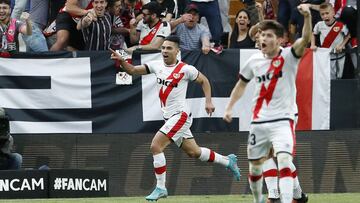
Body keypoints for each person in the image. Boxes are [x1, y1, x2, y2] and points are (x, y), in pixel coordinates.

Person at [110, 35, 241, 201]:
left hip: (181, 116)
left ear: (177, 51)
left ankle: (160, 187)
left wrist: (208, 101)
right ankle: (227, 161)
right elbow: (133, 70)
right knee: (195, 152)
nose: (164, 50)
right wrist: (122, 61)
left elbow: (204, 81)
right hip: (170, 118)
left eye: (169, 48)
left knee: (156, 146)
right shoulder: (157, 66)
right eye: (163, 47)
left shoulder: (186, 69)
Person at [223, 3, 312, 203]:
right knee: (259, 163)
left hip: (285, 116)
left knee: (282, 158)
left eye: (267, 35)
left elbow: (305, 39)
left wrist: (307, 18)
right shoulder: (254, 61)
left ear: (280, 40)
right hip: (259, 119)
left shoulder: (288, 55)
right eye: (260, 36)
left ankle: (278, 196)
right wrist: (229, 107)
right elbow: (240, 85)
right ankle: (294, 195)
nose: (262, 38)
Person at [310, 2, 350, 79]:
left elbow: (348, 35)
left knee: (339, 75)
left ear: (333, 13)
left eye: (327, 13)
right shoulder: (319, 25)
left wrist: (342, 45)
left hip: (340, 54)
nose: (325, 16)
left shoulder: (340, 24)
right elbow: (313, 34)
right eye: (322, 14)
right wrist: (312, 44)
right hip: (326, 55)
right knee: (329, 76)